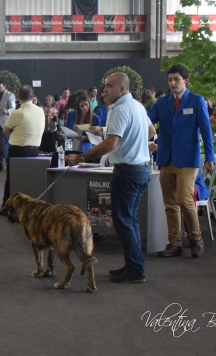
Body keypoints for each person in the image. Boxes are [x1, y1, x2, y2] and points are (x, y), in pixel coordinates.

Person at [65, 73, 155, 284]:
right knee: (130, 220)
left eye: (109, 87)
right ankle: (134, 265)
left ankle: (136, 270)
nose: (104, 90)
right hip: (140, 170)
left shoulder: (120, 109)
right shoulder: (137, 106)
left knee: (123, 222)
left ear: (122, 89)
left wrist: (80, 157)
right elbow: (150, 132)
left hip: (128, 171)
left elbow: (110, 144)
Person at [147, 64, 215, 259]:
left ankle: (195, 239)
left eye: (176, 79)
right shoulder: (162, 103)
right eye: (170, 80)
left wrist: (209, 156)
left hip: (188, 160)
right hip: (165, 158)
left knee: (185, 200)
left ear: (186, 80)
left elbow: (206, 131)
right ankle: (174, 243)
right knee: (169, 203)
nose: (173, 83)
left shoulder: (197, 101)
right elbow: (146, 120)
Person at [0, 85, 45, 212]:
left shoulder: (18, 113)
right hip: (35, 151)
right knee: (30, 178)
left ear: (18, 98)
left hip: (18, 150)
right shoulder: (40, 111)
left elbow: (5, 129)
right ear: (32, 97)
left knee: (11, 179)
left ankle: (6, 207)